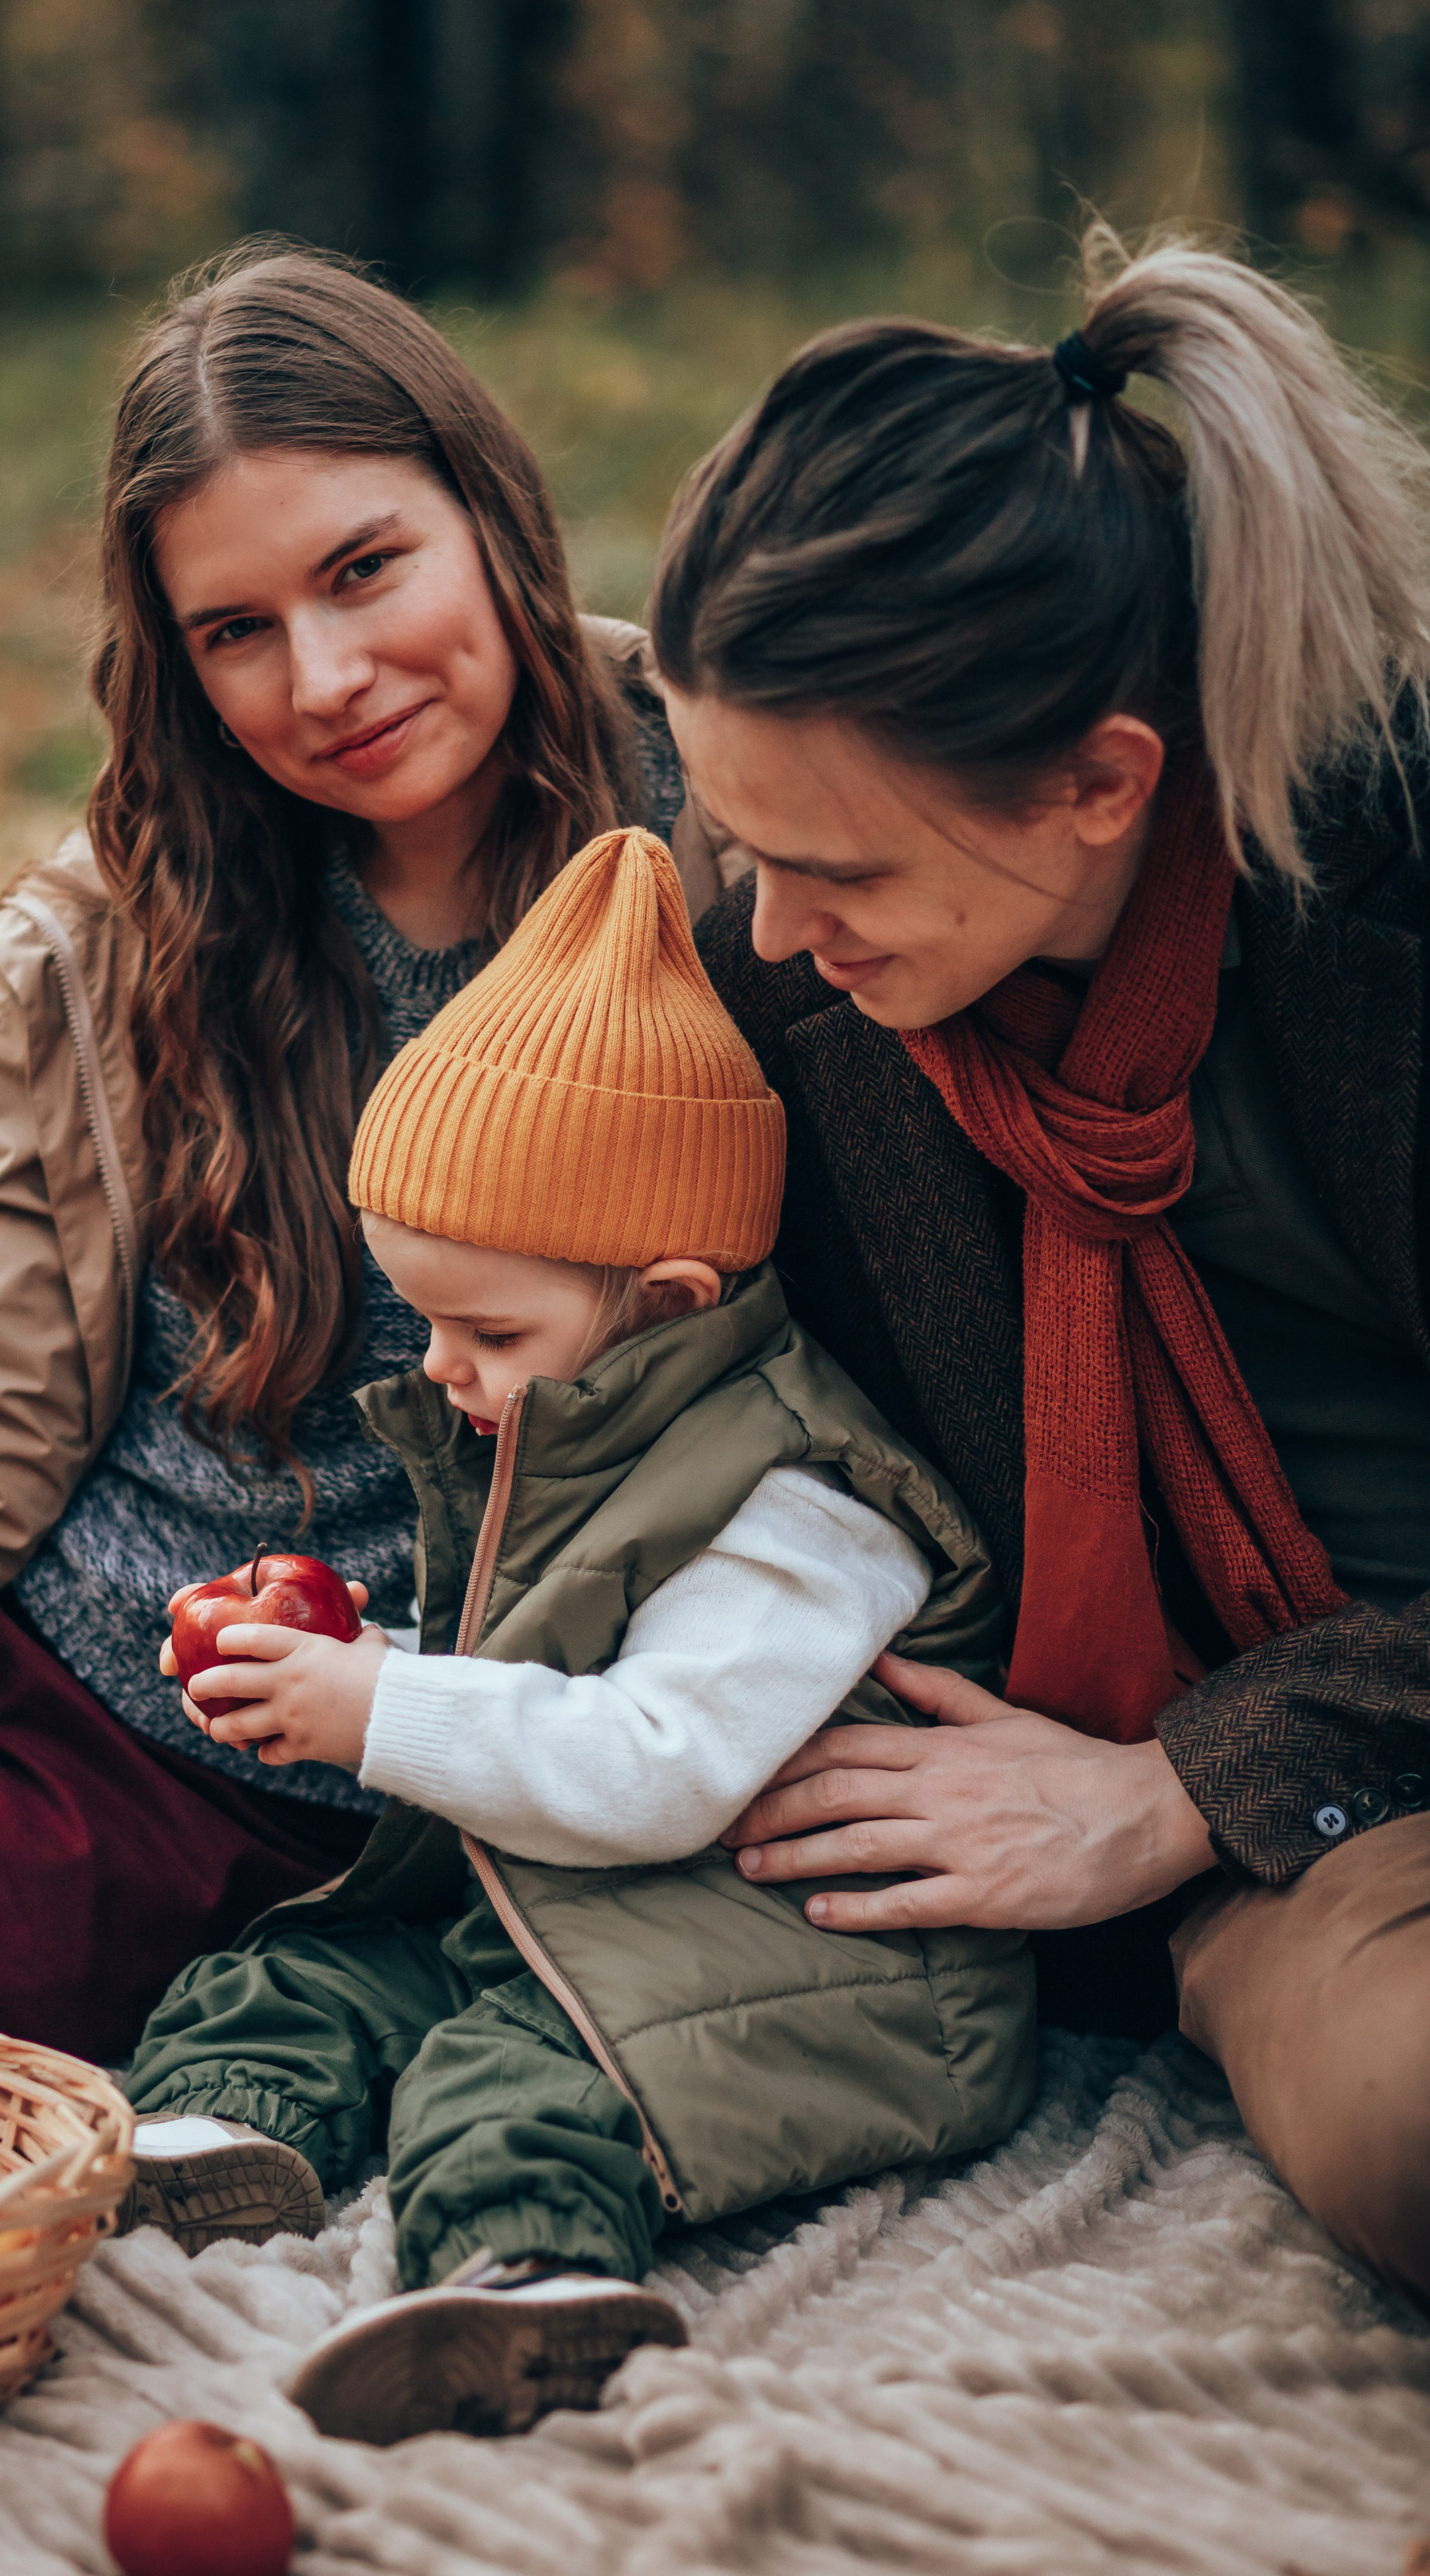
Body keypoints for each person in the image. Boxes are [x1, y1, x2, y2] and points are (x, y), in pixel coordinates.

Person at [0, 245, 711, 2062]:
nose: (323, 677)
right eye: (235, 631)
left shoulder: (736, 837)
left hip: (234, 1751)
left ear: (488, 514)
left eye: (363, 571)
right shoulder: (134, 917)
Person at [653, 224, 1430, 2302]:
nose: (767, 934)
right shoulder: (832, 973)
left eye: (828, 872)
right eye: (742, 853)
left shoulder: (1386, 920)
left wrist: (1182, 1791)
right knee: (1411, 2117)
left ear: (1104, 784)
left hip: (1336, 1717)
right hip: (1334, 1837)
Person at [116, 826, 1035, 2445]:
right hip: (583, 1897)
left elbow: (653, 1764)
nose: (446, 1369)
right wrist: (340, 1661)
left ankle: (520, 2288)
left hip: (800, 1952)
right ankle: (212, 2138)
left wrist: (378, 1704)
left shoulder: (805, 1509)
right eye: (426, 1323)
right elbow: (538, 1670)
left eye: (490, 1330)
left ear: (669, 1302)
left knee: (516, 2069)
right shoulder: (568, 1432)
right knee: (307, 1964)